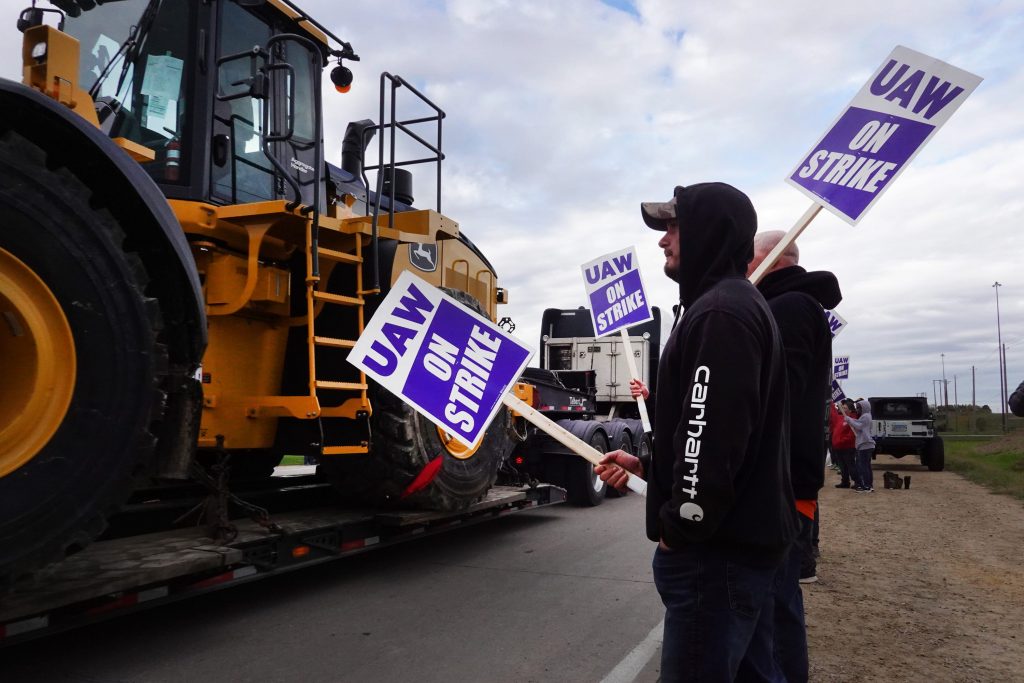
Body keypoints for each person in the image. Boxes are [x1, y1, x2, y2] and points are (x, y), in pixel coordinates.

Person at [596, 183, 798, 682]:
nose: (664, 240)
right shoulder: (728, 306)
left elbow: (711, 442)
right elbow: (717, 432)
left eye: (673, 226)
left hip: (714, 560)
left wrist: (678, 529)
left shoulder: (721, 314)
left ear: (711, 232)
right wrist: (650, 467)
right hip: (736, 553)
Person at [746, 230, 841, 681]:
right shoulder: (791, 306)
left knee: (773, 611)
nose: (742, 268)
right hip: (785, 484)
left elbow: (775, 396)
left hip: (781, 488)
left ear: (767, 261)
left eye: (747, 260)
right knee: (773, 607)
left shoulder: (790, 308)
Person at [842, 398, 875, 492]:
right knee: (867, 466)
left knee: (863, 466)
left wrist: (848, 419)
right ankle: (869, 485)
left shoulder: (865, 416)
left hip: (865, 444)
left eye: (859, 408)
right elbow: (858, 424)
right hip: (866, 444)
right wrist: (850, 419)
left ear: (864, 407)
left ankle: (866, 486)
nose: (857, 410)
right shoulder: (867, 416)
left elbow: (858, 425)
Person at [830, 399, 858, 488]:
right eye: (842, 407)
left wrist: (840, 441)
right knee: (842, 466)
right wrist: (831, 403)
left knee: (851, 466)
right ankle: (845, 482)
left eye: (845, 408)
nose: (842, 409)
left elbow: (852, 435)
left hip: (848, 447)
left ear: (850, 409)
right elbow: (833, 415)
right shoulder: (841, 418)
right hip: (839, 447)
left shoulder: (853, 419)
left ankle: (857, 482)